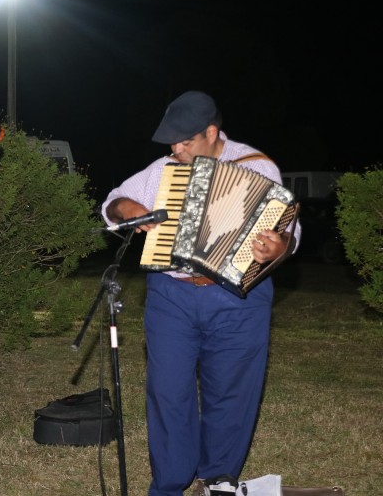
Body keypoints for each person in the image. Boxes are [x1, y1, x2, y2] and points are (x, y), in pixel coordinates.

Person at [101, 91, 301, 496]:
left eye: (184, 141)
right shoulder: (163, 169)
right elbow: (113, 202)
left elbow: (286, 229)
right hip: (171, 294)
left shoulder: (257, 166)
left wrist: (281, 246)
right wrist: (127, 210)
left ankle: (219, 479)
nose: (175, 149)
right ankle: (171, 481)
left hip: (237, 297)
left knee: (231, 389)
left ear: (212, 132)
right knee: (168, 389)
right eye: (171, 142)